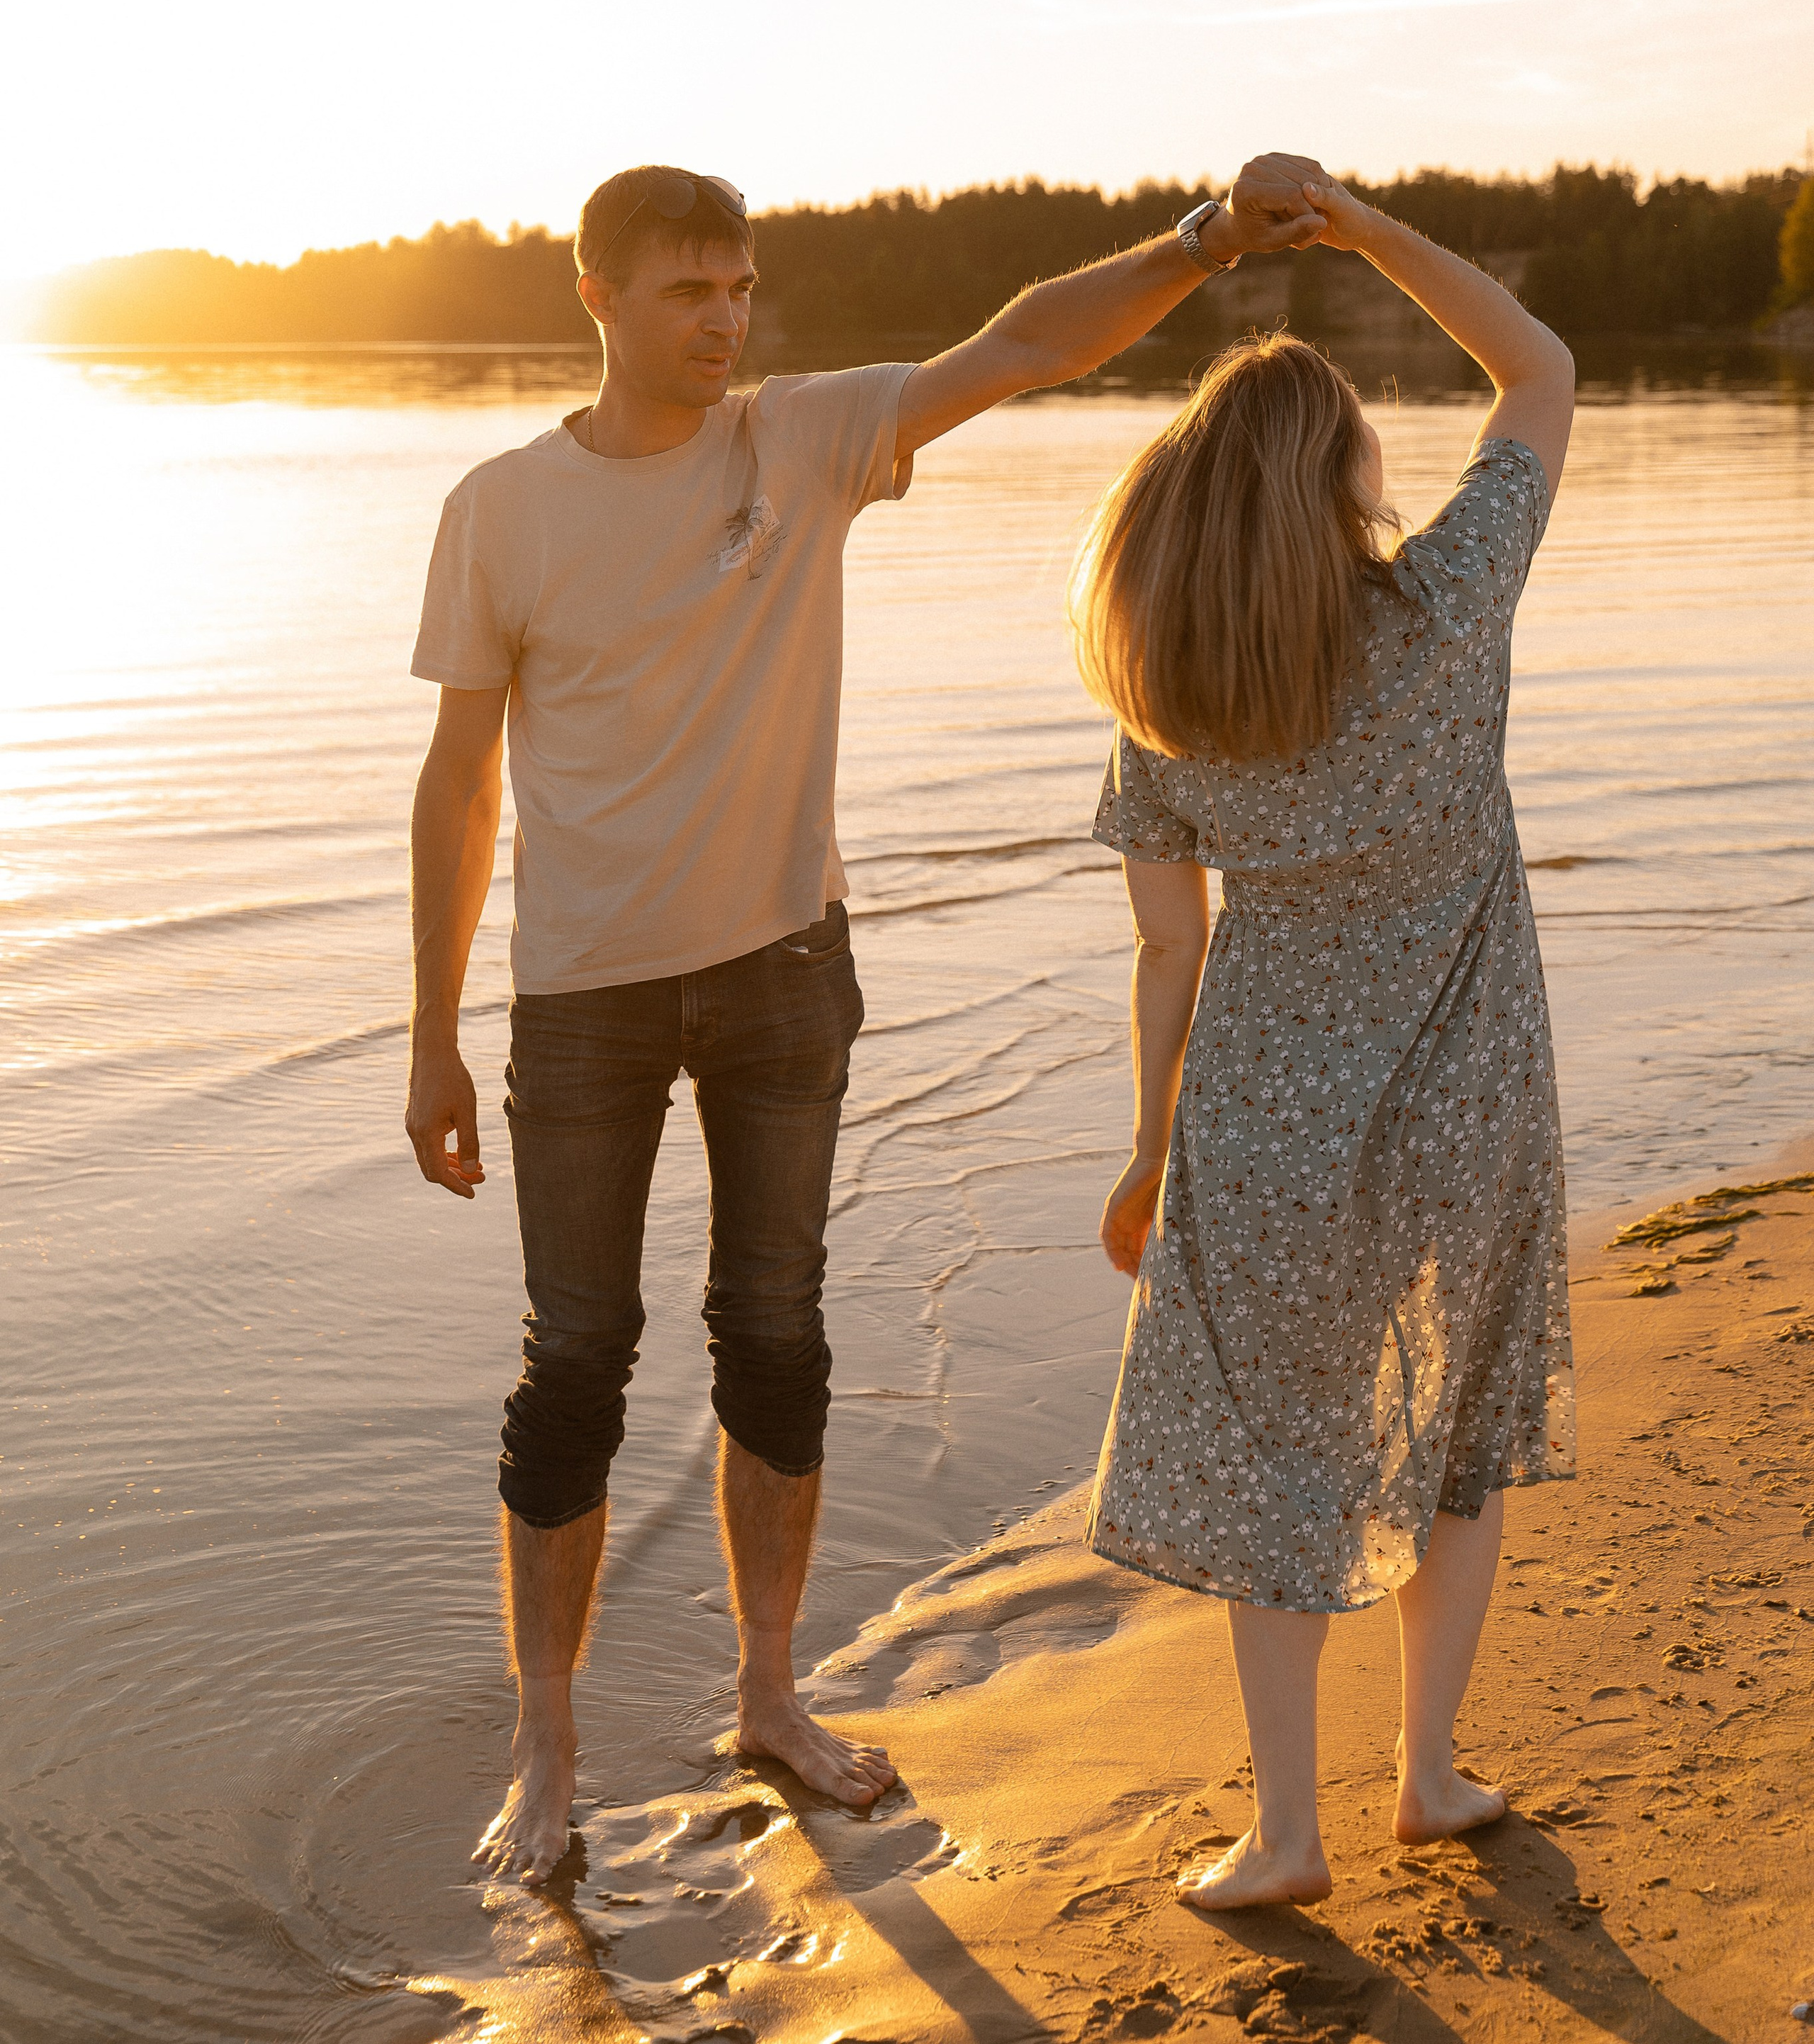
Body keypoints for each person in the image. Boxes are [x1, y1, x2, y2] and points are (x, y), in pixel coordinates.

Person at [404, 153, 1324, 1884]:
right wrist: (430, 1031)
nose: (723, 320)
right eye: (688, 291)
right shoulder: (501, 508)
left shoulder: (802, 439)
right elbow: (459, 785)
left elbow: (1024, 345)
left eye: (740, 289)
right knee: (574, 1365)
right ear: (595, 295)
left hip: (779, 972)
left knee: (777, 1333)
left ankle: (769, 1697)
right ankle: (547, 1743)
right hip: (577, 999)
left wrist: (1202, 243)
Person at [1071, 166, 1576, 1910]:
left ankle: (1284, 1834)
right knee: (1452, 1435)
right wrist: (1355, 225)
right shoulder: (1444, 615)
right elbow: (1533, 371)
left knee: (1274, 1459)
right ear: (1348, 477)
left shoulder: (1169, 693)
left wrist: (1147, 1147)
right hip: (1471, 1102)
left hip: (1261, 1133)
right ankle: (1425, 1772)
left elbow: (1165, 951)